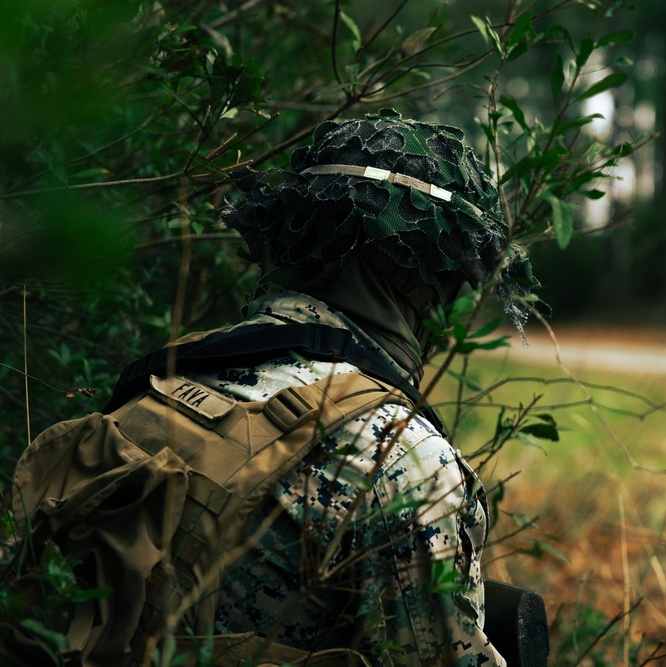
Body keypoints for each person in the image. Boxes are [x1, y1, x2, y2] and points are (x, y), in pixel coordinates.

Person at [191, 109, 539, 665]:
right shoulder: (395, 458)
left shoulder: (166, 375)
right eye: (447, 276)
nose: (448, 303)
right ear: (410, 273)